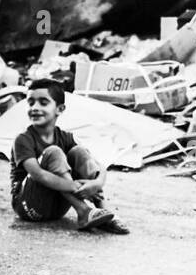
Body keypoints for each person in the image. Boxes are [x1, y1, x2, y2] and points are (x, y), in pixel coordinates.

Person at [10, 80, 129, 234]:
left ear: (60, 109)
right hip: (29, 207)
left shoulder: (66, 137)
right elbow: (38, 175)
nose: (35, 108)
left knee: (79, 152)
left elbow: (100, 166)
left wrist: (96, 184)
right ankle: (83, 211)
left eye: (43, 103)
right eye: (31, 103)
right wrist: (75, 187)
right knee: (54, 152)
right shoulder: (23, 139)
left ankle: (104, 212)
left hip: (57, 208)